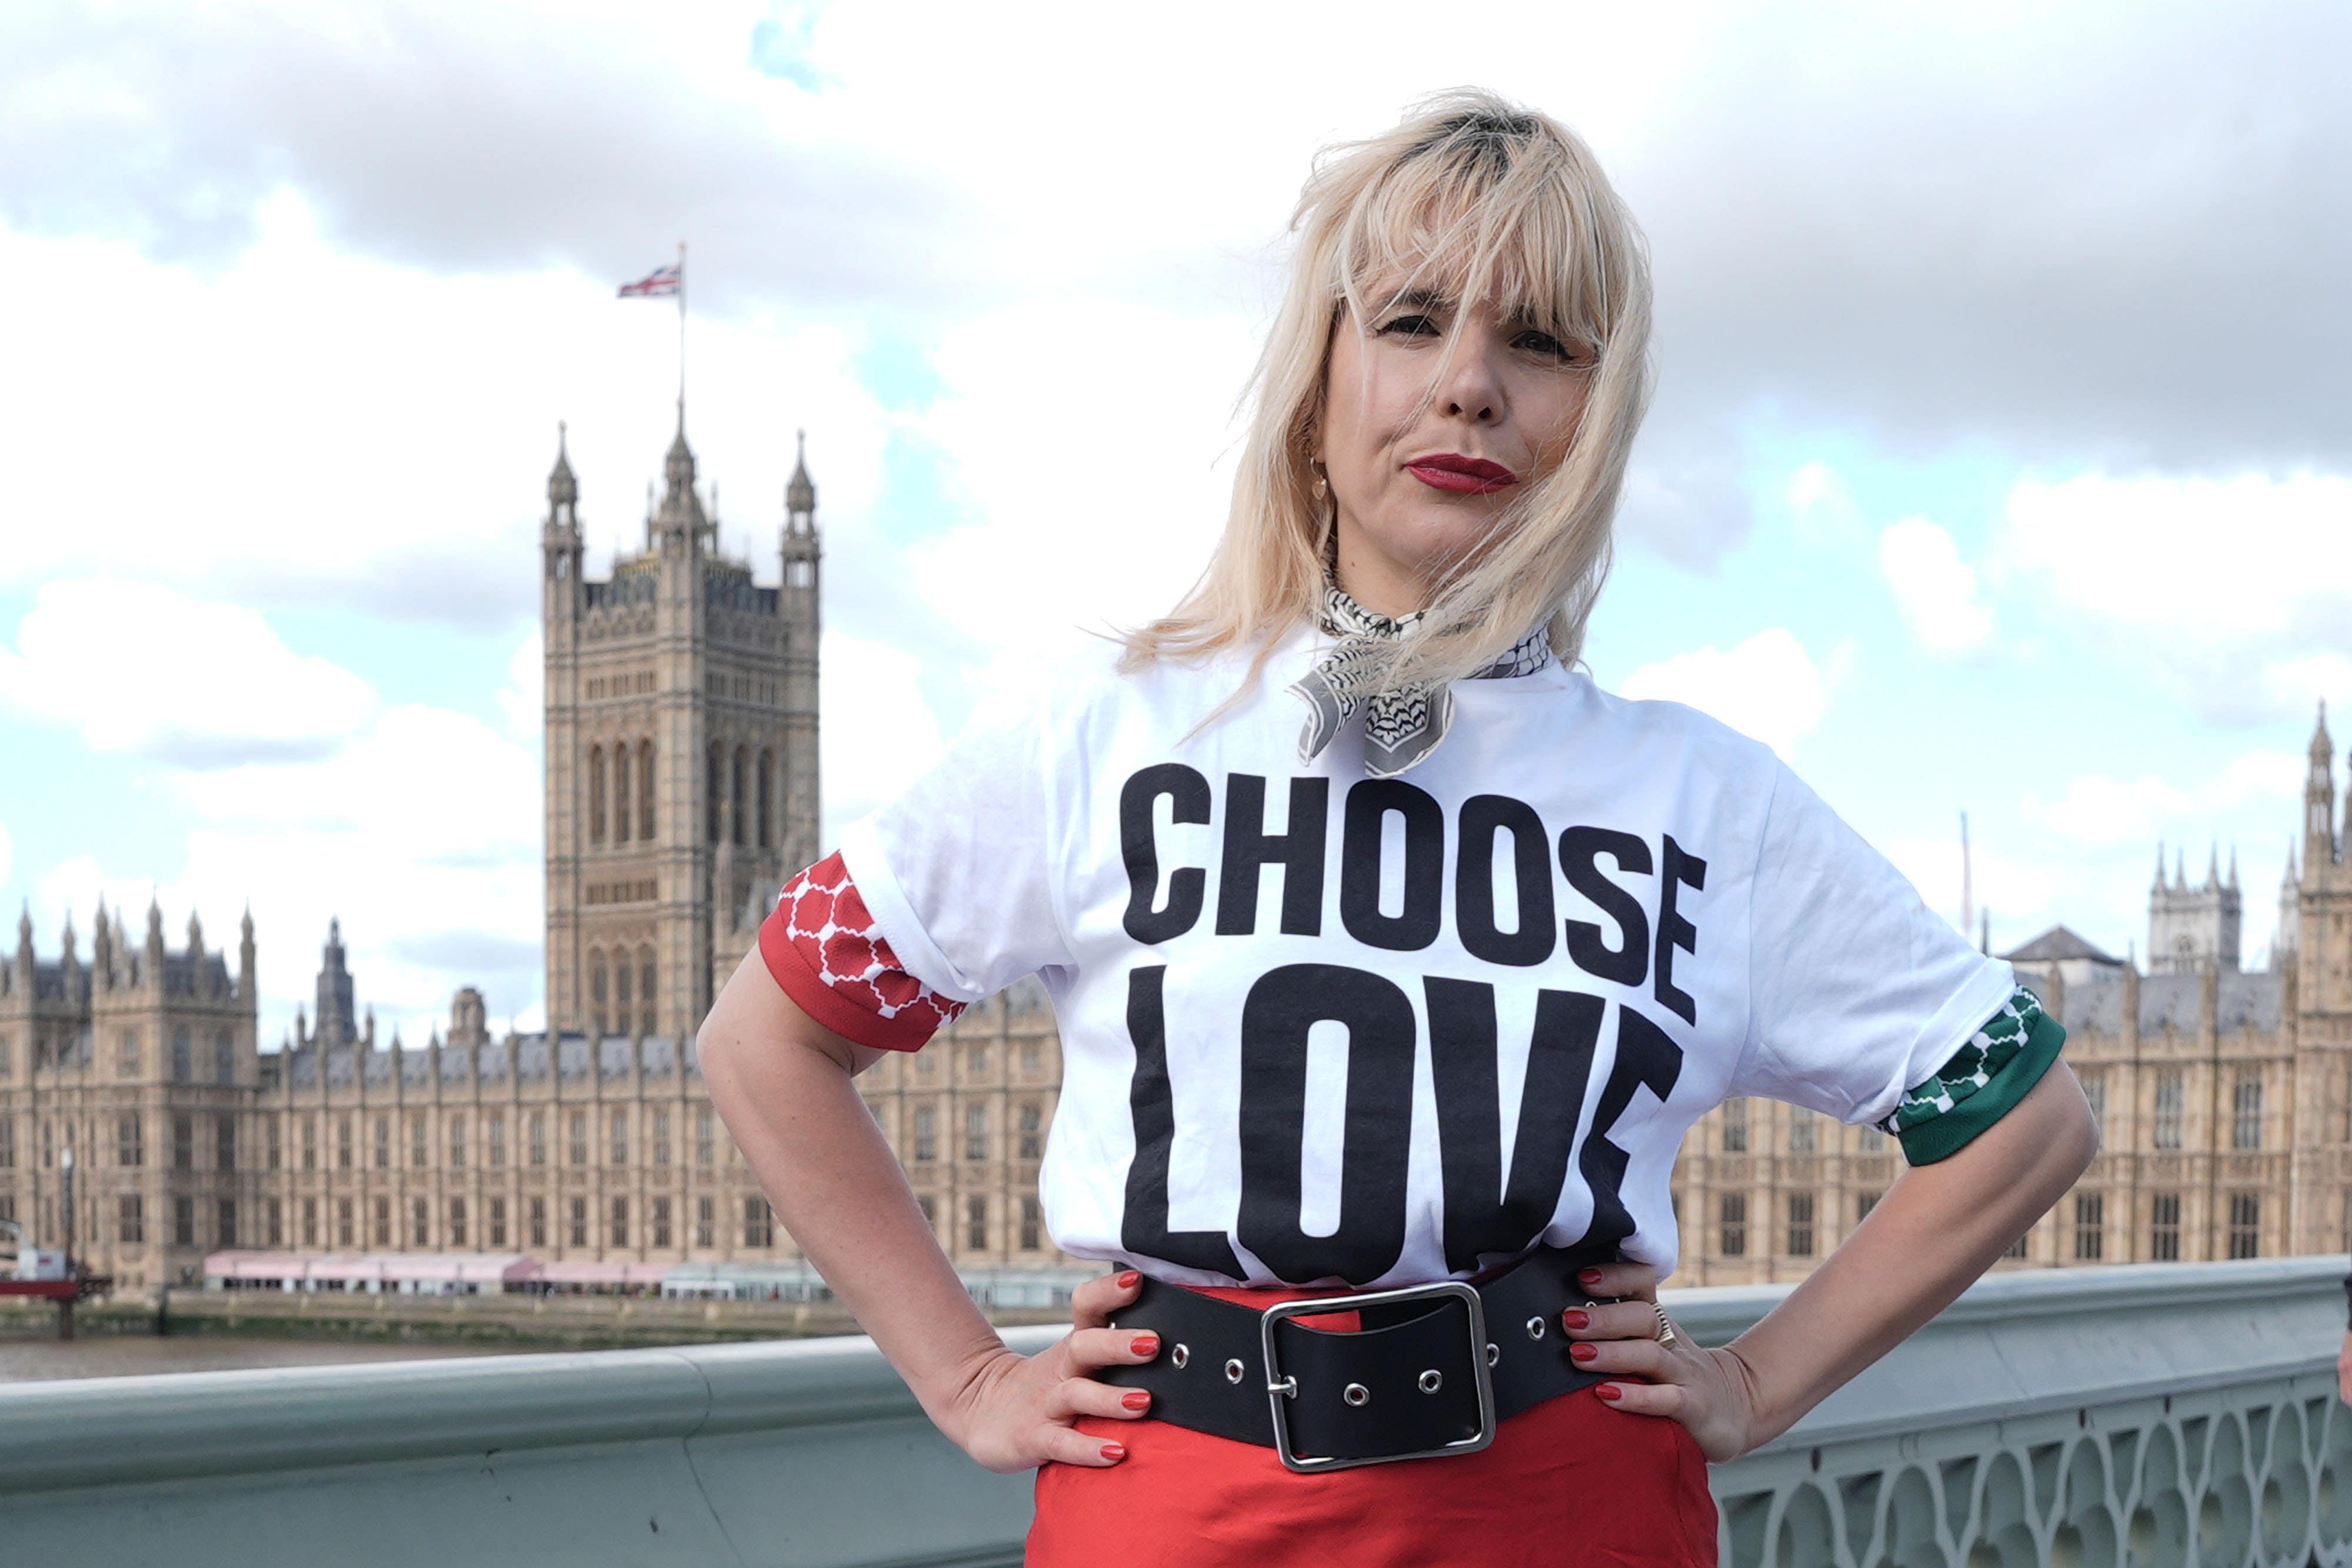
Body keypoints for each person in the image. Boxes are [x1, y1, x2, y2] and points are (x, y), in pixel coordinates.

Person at [698, 89, 2100, 1567]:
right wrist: (966, 1372)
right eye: (1412, 319)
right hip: (1176, 1501)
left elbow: (2019, 1115)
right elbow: (771, 1035)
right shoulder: (1103, 738)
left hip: (1568, 1508)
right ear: (1318, 381)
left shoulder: (1706, 802)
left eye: (1540, 342)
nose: (1470, 385)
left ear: (1593, 416)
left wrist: (1754, 1378)